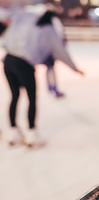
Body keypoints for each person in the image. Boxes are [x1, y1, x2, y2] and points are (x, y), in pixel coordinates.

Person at [2, 8, 84, 147]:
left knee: (15, 96)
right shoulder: (48, 28)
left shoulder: (24, 18)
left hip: (8, 60)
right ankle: (32, 134)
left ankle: (12, 131)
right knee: (32, 98)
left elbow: (6, 21)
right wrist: (74, 68)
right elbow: (60, 51)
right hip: (24, 64)